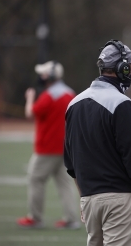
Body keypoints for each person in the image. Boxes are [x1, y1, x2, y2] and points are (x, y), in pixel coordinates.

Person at [64, 39, 131, 246]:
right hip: (120, 201)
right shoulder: (121, 103)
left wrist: (84, 199)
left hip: (89, 199)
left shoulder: (73, 104)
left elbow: (71, 163)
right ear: (123, 68)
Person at [17, 61, 80, 229]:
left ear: (51, 76)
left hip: (47, 147)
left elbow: (30, 113)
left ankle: (35, 218)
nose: (41, 77)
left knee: (35, 179)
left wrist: (29, 98)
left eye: (44, 74)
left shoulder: (48, 96)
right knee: (65, 183)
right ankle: (71, 218)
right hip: (66, 147)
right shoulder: (70, 93)